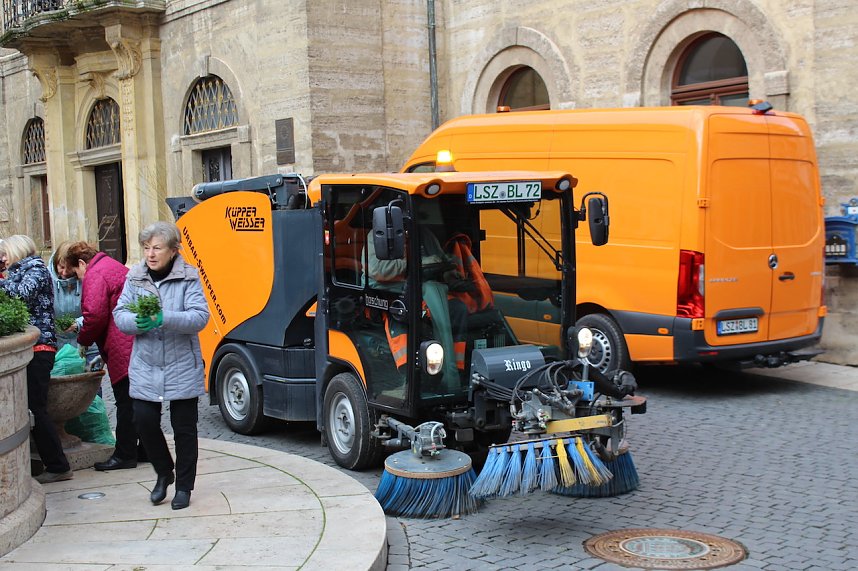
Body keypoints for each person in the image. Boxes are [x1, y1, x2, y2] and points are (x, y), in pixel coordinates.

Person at [113, 221, 209, 510]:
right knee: (142, 420)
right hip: (146, 364)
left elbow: (199, 317)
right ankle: (164, 471)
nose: (150, 254)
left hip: (182, 363)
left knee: (184, 429)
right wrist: (137, 323)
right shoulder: (135, 277)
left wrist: (163, 317)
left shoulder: (188, 277)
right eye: (146, 248)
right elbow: (120, 315)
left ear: (172, 250)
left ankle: (184, 486)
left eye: (157, 248)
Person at [62, 241, 141, 470]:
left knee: (126, 402)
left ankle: (125, 454)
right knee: (138, 400)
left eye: (75, 272)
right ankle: (145, 448)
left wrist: (83, 341)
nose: (77, 278)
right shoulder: (111, 265)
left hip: (121, 343)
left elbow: (94, 316)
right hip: (132, 340)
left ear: (81, 263)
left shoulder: (95, 274)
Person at [0, 235, 73, 483]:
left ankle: (58, 466)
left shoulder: (36, 269)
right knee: (31, 407)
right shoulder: (23, 270)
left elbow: (20, 296)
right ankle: (47, 462)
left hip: (40, 349)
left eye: (6, 253)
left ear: (17, 251)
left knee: (36, 409)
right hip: (36, 348)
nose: (3, 258)